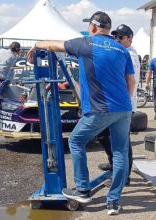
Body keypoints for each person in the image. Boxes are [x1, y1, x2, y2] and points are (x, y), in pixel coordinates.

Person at [27, 11, 135, 216]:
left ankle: (83, 189)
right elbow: (131, 81)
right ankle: (113, 201)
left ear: (93, 28)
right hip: (123, 108)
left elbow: (53, 44)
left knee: (76, 141)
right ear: (109, 29)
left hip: (99, 109)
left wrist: (36, 45)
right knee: (120, 152)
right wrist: (123, 105)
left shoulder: (85, 44)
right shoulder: (122, 50)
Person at [97, 24, 141, 186]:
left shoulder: (129, 54)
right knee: (103, 134)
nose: (117, 39)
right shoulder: (120, 52)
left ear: (129, 39)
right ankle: (114, 163)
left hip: (123, 105)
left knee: (122, 141)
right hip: (114, 104)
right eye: (115, 36)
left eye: (120, 37)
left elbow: (129, 82)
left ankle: (124, 176)